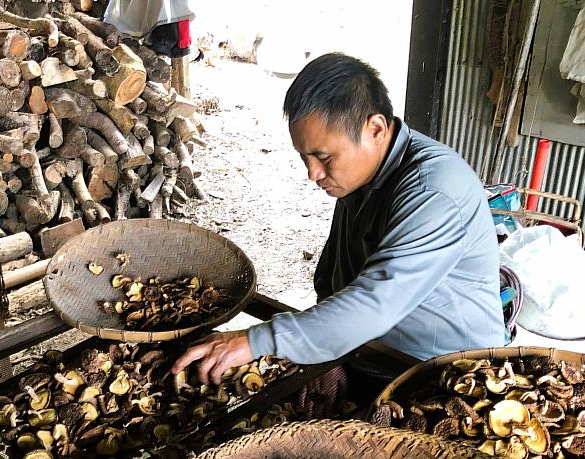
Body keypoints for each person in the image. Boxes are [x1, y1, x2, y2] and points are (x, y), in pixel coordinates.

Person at [171, 53, 506, 400]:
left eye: (324, 158)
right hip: (375, 353)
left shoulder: (433, 190)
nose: (313, 174)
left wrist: (257, 340)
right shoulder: (360, 175)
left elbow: (375, 304)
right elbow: (338, 275)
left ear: (374, 129)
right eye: (305, 157)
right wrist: (327, 353)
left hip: (450, 378)